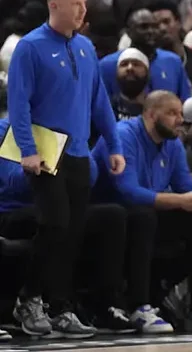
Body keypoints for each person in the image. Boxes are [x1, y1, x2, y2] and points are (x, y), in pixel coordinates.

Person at [6, 0, 126, 337]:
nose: (83, 10)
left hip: (78, 154)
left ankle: (60, 306)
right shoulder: (30, 47)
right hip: (44, 154)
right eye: (77, 4)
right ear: (54, 5)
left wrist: (114, 145)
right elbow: (18, 104)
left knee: (73, 233)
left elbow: (99, 101)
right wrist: (27, 151)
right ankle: (28, 299)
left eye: (85, 3)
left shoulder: (87, 48)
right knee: (55, 225)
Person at [92, 91, 192, 332]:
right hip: (111, 215)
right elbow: (127, 191)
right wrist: (181, 200)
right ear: (150, 114)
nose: (180, 120)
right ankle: (139, 307)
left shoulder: (173, 143)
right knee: (143, 216)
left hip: (147, 215)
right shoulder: (123, 136)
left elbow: (185, 186)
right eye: (171, 113)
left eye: (180, 113)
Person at [0, 118, 135, 336]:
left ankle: (103, 306)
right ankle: (42, 304)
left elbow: (89, 177)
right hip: (15, 210)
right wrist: (50, 171)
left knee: (112, 216)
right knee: (58, 217)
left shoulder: (69, 128)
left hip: (61, 205)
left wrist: (71, 156)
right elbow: (12, 183)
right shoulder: (9, 128)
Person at [99, 8, 192, 102]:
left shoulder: (173, 61)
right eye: (144, 27)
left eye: (155, 26)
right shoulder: (108, 65)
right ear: (128, 32)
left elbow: (185, 102)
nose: (151, 31)